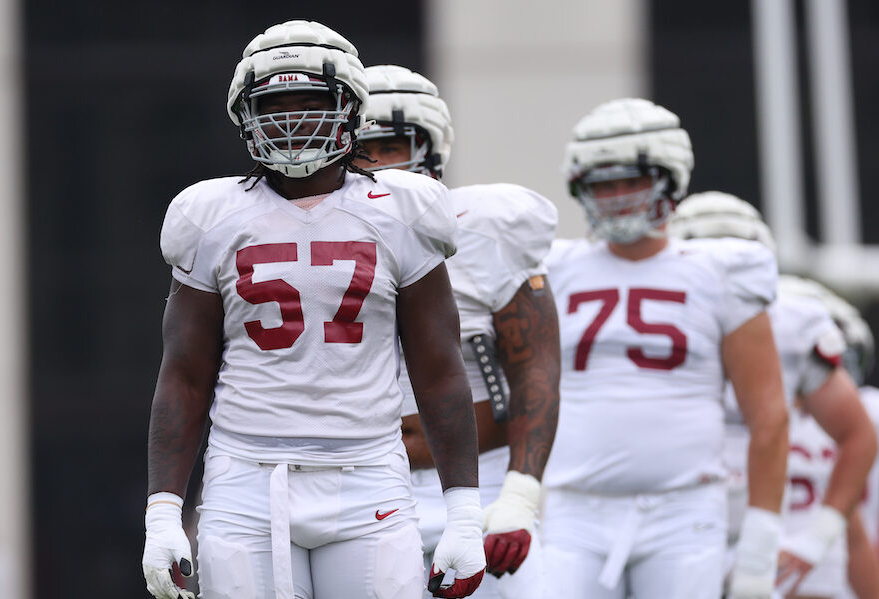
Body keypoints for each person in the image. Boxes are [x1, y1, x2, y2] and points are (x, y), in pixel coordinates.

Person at [142, 21, 486, 599]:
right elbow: (183, 374)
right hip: (246, 476)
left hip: (369, 474)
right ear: (245, 116)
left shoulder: (403, 208)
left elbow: (439, 368)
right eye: (276, 106)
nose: (294, 121)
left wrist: (466, 512)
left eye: (312, 104)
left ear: (350, 111)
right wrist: (162, 513)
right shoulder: (209, 213)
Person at [539, 98, 790, 599]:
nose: (614, 197)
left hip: (684, 510)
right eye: (601, 184)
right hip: (573, 508)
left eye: (629, 181)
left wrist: (758, 552)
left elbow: (770, 417)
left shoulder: (722, 269)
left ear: (669, 177)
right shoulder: (554, 266)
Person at [353, 65, 561, 598]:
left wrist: (519, 494)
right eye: (361, 146)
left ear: (431, 148)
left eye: (392, 145)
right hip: (359, 490)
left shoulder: (484, 226)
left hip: (476, 484)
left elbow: (535, 366)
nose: (375, 162)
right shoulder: (308, 236)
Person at [669, 193, 878, 598]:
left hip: (775, 548)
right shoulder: (646, 338)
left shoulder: (793, 328)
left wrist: (814, 541)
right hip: (678, 536)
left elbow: (856, 447)